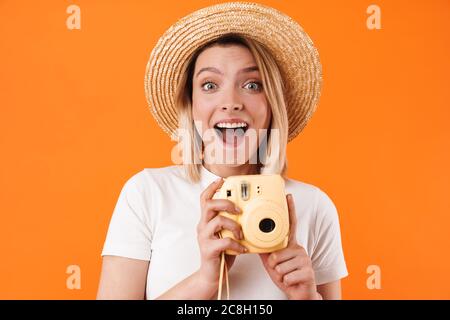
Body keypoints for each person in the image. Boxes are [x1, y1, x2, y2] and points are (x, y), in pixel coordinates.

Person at [97, 2, 348, 300]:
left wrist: (306, 298)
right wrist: (204, 281)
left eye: (253, 84)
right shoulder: (146, 193)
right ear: (190, 106)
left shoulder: (315, 206)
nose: (231, 101)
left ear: (272, 106)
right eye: (210, 84)